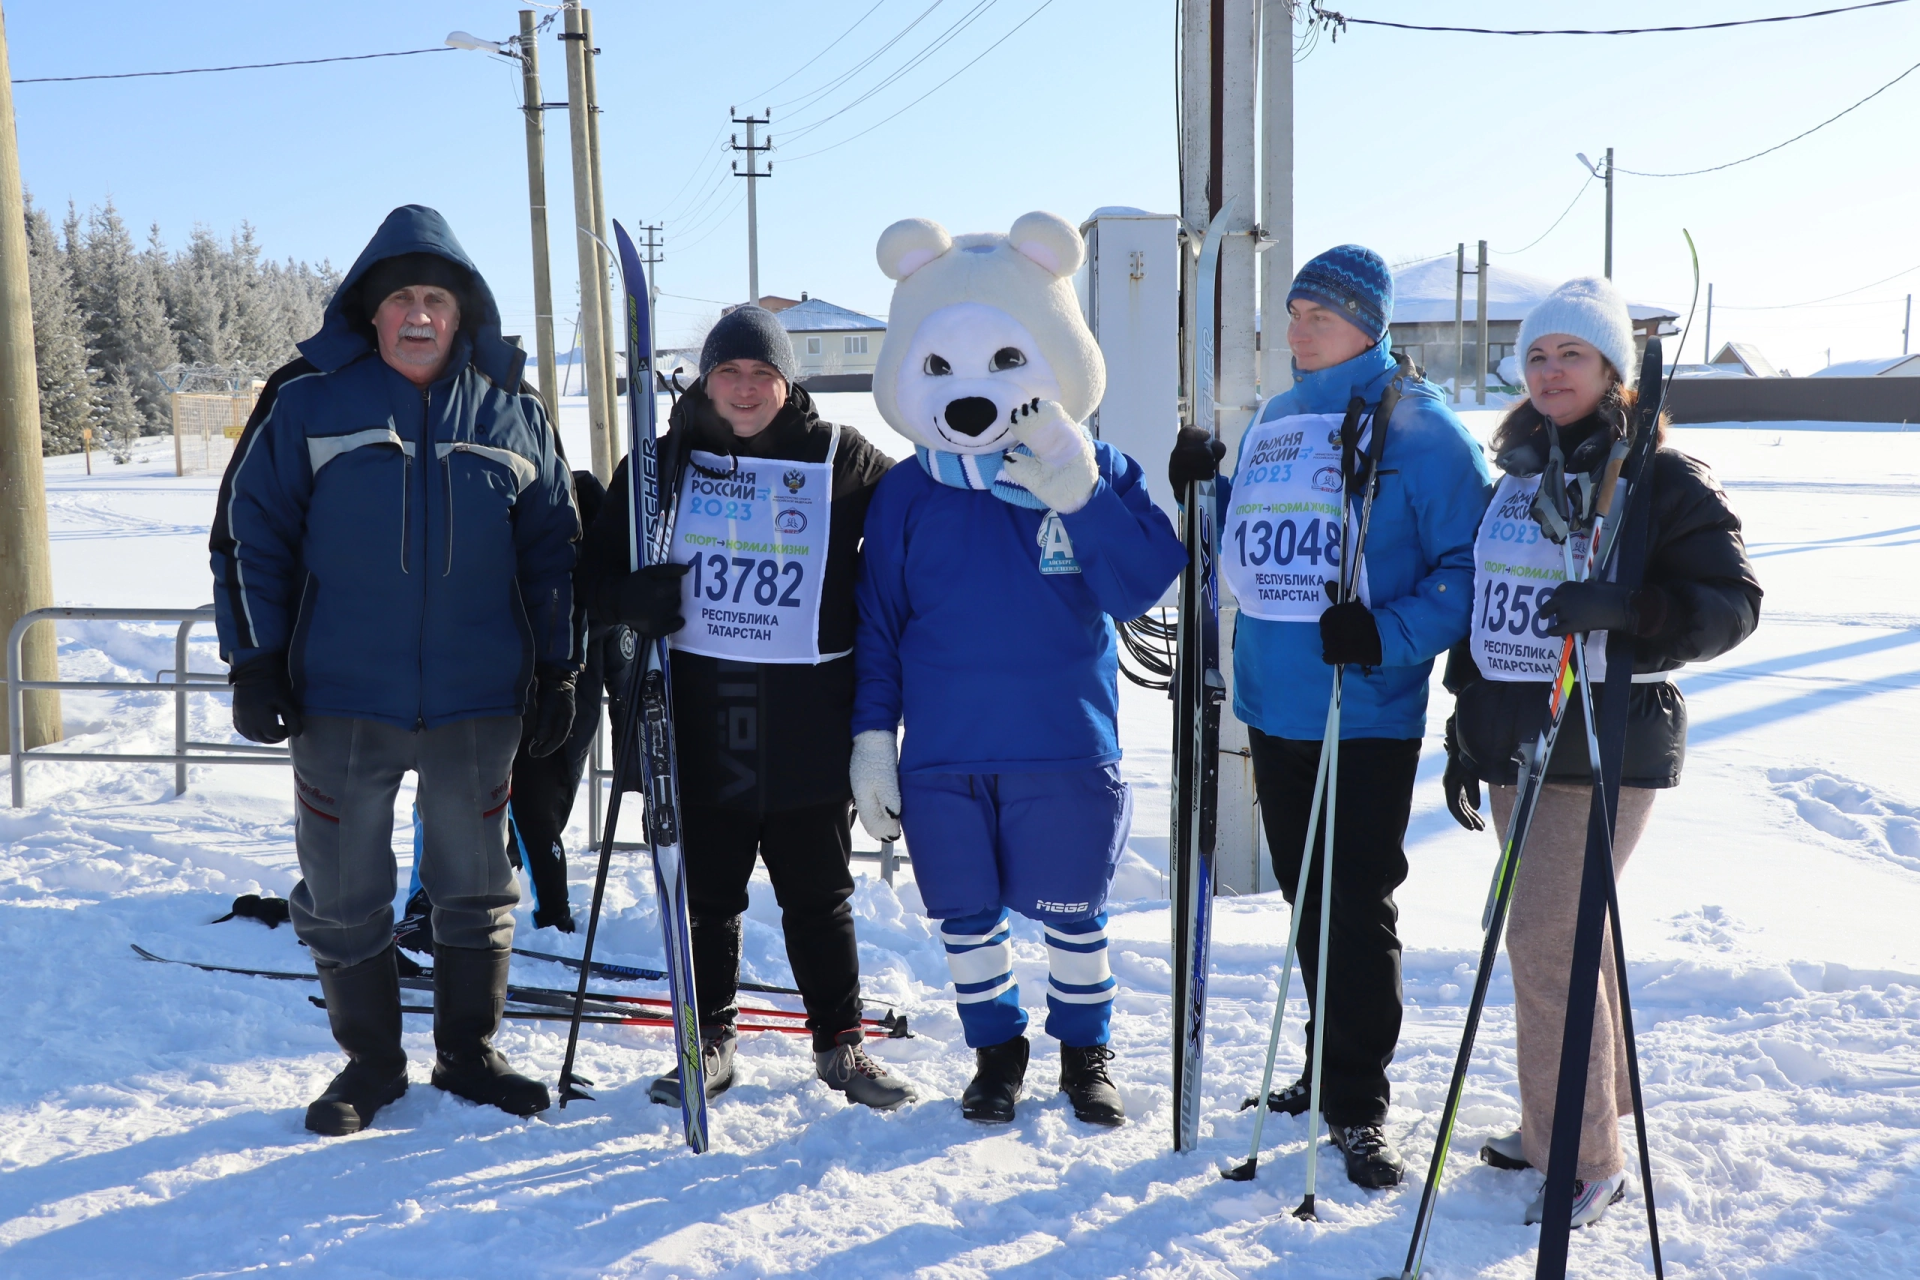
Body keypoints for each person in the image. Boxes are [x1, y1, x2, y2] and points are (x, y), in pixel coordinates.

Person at [209, 205, 581, 1135]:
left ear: (463, 314)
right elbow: (248, 535)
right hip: (341, 699)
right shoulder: (307, 401)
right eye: (402, 298)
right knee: (343, 897)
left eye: (437, 299)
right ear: (370, 312)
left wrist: (560, 671)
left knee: (477, 886)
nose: (419, 314)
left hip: (476, 700)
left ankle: (469, 1051)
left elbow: (554, 553)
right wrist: (254, 661)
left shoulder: (512, 411)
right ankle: (370, 1064)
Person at [852, 210, 1190, 1128]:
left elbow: (1144, 588)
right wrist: (871, 740)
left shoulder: (1091, 464)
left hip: (1062, 745)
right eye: (942, 368)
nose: (972, 396)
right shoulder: (907, 493)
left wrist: (1079, 491)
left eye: (1005, 360)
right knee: (966, 920)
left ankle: (1086, 1054)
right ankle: (995, 1053)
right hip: (945, 756)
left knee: (1077, 915)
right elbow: (878, 624)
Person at [1169, 244, 1491, 1186]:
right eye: (1294, 311)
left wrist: (1386, 632)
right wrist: (1206, 482)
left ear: (1369, 322)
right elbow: (1255, 538)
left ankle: (1359, 1102)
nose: (1297, 327)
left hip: (1364, 708)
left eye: (1319, 313)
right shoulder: (1276, 416)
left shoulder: (1423, 430)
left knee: (1354, 904)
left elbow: (1470, 569)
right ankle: (1324, 1069)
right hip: (1273, 700)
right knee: (1310, 898)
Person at [1442, 276, 1760, 1226]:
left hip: (1602, 742)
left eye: (1570, 354)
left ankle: (1584, 1158)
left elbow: (1733, 604)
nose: (1548, 371)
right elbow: (1486, 611)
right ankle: (1569, 1115)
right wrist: (1464, 729)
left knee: (1546, 943)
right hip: (1516, 740)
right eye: (1536, 355)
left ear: (1613, 369)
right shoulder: (1520, 476)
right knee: (1574, 936)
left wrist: (1635, 613)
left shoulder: (1662, 477)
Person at [578, 306, 915, 1111]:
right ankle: (709, 1039)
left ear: (786, 380)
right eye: (729, 372)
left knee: (819, 894)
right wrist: (630, 597)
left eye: (762, 374)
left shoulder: (843, 458)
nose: (745, 389)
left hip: (807, 711)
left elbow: (919, 525)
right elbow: (590, 582)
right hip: (702, 711)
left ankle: (841, 1046)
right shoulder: (659, 468)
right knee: (707, 894)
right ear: (704, 378)